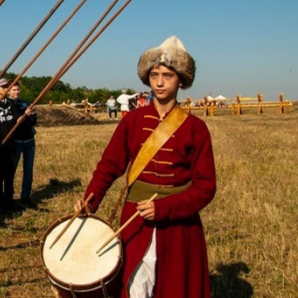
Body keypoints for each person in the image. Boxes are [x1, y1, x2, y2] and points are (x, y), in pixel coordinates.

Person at [75, 36, 216, 298]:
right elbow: (109, 166)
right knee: (135, 286)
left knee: (175, 288)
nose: (160, 82)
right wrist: (89, 202)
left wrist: (165, 208)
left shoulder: (196, 128)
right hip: (135, 220)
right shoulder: (133, 120)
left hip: (179, 228)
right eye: (154, 74)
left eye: (167, 75)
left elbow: (206, 187)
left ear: (181, 80)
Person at [0, 78, 22, 213]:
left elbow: (16, 118)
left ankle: (9, 199)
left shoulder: (9, 102)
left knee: (10, 172)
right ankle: (0, 201)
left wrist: (24, 116)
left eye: (7, 86)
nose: (6, 88)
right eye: (3, 86)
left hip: (10, 142)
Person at [7, 82, 37, 208]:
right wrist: (25, 115)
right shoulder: (7, 105)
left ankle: (26, 196)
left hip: (29, 140)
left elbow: (33, 120)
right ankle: (9, 196)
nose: (16, 92)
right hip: (16, 141)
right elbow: (15, 120)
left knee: (28, 170)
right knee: (11, 169)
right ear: (8, 91)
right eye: (14, 90)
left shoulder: (25, 103)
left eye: (18, 90)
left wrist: (30, 115)